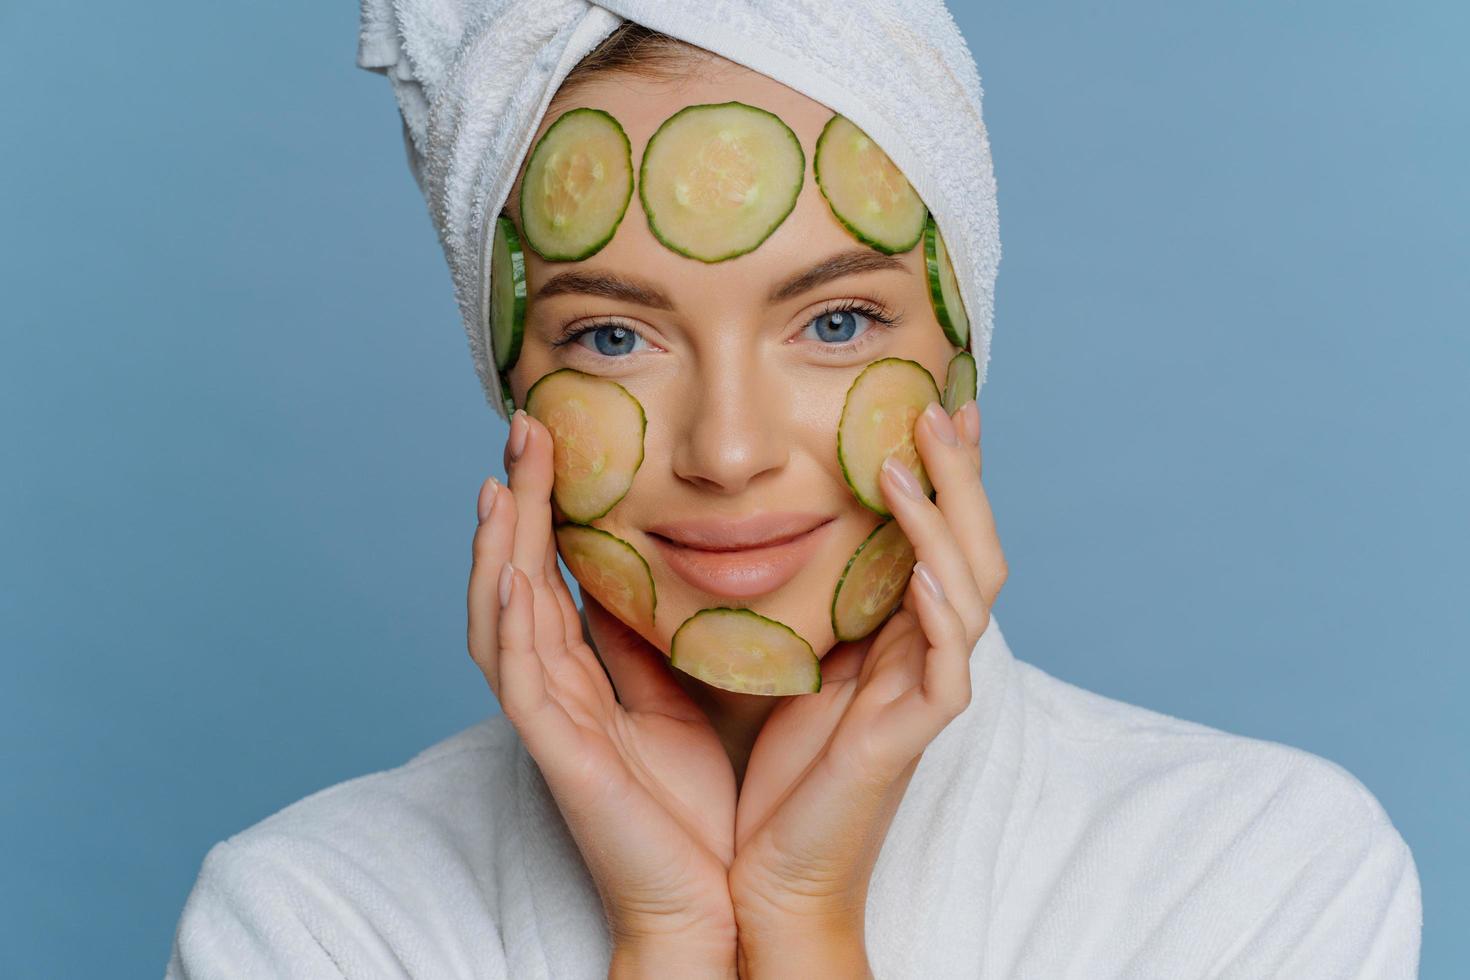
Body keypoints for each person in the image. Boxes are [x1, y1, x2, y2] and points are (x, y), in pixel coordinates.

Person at [164, 13, 1422, 980]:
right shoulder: (313, 917)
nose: (728, 449)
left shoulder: (1255, 866)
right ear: (512, 388)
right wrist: (665, 937)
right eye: (611, 335)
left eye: (833, 319)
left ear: (963, 349)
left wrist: (803, 923)